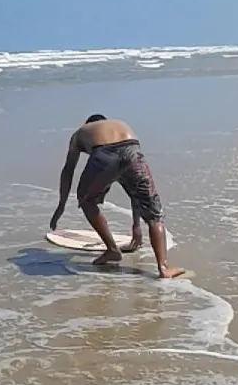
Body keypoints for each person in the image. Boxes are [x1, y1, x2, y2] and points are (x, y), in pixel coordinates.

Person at [50, 114, 184, 279]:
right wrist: (136, 227)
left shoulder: (80, 133)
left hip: (104, 155)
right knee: (153, 214)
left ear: (89, 124)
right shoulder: (119, 125)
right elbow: (133, 193)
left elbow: (68, 170)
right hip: (133, 151)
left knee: (87, 200)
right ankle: (163, 268)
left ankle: (113, 250)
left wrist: (61, 205)